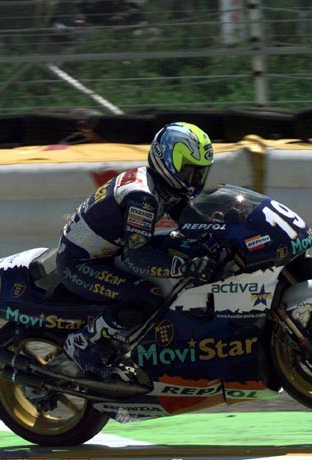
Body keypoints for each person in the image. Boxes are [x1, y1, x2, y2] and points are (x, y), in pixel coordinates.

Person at [48, 122, 216, 381]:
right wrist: (184, 267)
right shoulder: (142, 197)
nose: (194, 179)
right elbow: (137, 257)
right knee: (145, 297)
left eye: (199, 173)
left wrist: (222, 226)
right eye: (188, 170)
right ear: (166, 160)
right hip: (81, 263)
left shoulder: (164, 186)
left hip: (107, 253)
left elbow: (191, 222)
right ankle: (82, 344)